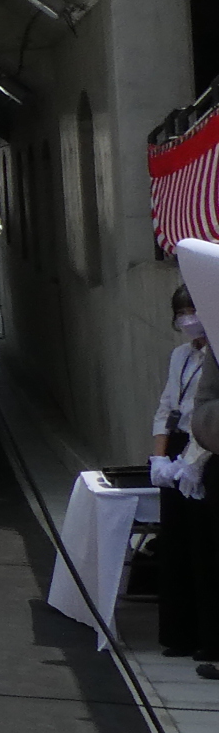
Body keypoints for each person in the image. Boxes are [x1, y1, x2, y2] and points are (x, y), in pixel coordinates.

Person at [152, 285, 219, 676]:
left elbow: (205, 414)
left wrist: (193, 462)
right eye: (181, 312)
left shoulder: (215, 355)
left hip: (203, 449)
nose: (187, 318)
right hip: (177, 447)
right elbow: (167, 407)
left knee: (203, 547)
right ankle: (179, 633)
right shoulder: (180, 355)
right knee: (175, 543)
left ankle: (207, 636)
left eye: (193, 310)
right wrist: (159, 457)